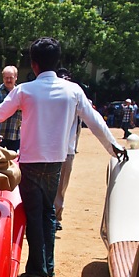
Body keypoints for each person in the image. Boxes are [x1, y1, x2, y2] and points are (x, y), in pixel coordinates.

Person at [0, 37, 128, 277]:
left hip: (31, 162)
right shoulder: (73, 90)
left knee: (35, 214)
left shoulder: (24, 90)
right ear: (57, 62)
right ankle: (47, 267)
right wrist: (115, 148)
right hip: (57, 161)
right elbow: (95, 121)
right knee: (48, 213)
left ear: (33, 65)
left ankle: (38, 269)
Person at [53, 68, 82, 232]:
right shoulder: (54, 98)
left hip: (68, 149)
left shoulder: (76, 96)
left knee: (61, 185)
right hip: (49, 149)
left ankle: (56, 217)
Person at [0, 66, 22, 151]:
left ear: (16, 77)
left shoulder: (20, 92)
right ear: (3, 78)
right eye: (6, 78)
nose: (8, 80)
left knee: (14, 161)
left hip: (14, 134)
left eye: (11, 78)